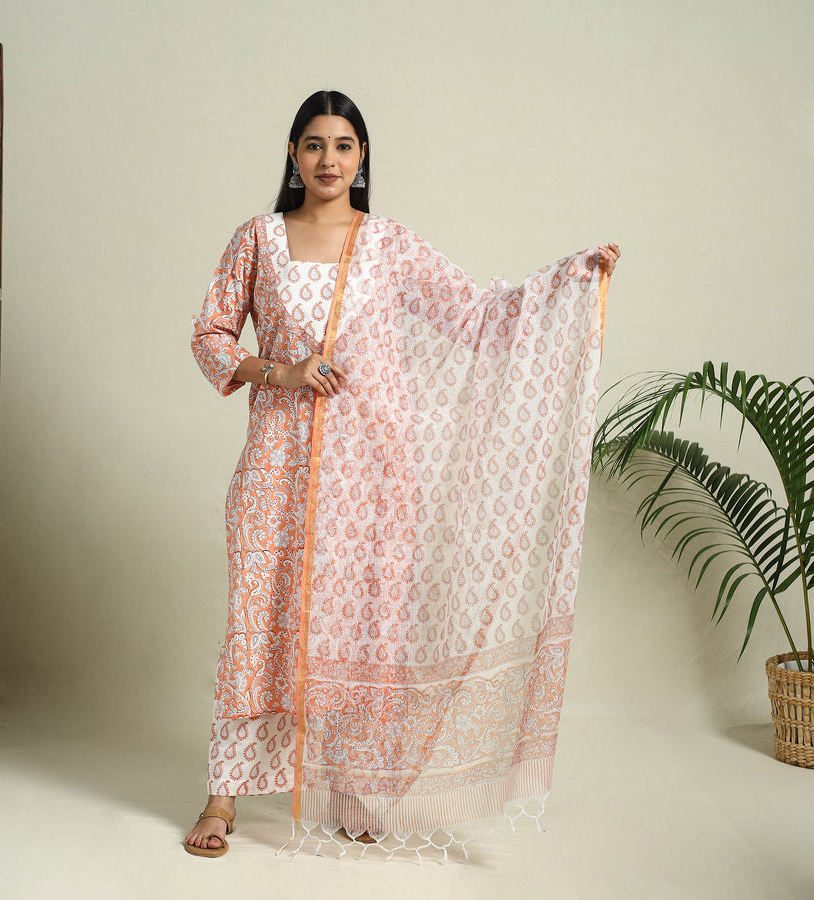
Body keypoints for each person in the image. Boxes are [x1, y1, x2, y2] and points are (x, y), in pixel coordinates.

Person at [186, 90, 619, 858]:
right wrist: (281, 370)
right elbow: (211, 335)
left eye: (343, 145)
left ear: (361, 157)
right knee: (259, 621)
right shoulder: (259, 238)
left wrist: (569, 279)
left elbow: (478, 316)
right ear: (293, 155)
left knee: (361, 629)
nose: (328, 160)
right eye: (314, 144)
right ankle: (223, 795)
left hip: (373, 476)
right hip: (278, 466)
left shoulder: (387, 244)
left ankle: (349, 787)